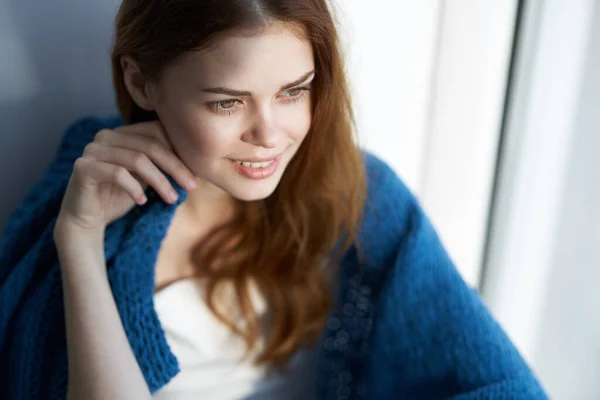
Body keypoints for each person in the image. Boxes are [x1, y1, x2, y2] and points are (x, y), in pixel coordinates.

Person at [0, 1, 548, 399]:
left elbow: (505, 385)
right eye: (226, 103)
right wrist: (78, 240)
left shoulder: (362, 196)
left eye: (293, 91)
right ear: (142, 83)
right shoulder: (93, 187)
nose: (269, 133)